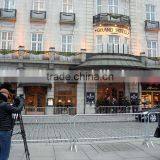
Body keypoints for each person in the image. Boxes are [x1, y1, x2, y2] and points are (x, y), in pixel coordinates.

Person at [0, 88, 24, 160]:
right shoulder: (4, 104)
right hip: (5, 131)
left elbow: (10, 108)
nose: (8, 97)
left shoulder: (3, 104)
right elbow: (17, 110)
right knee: (4, 153)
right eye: (7, 95)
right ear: (5, 95)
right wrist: (21, 101)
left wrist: (15, 103)